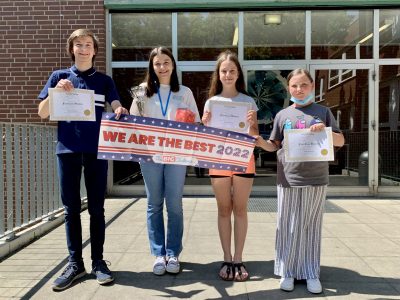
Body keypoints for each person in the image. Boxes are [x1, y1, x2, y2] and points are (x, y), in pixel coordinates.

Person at [38, 29, 129, 291]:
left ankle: (98, 262)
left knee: (97, 208)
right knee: (71, 209)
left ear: (95, 50)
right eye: (78, 44)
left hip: (97, 151)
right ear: (72, 49)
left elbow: (116, 105)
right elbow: (43, 113)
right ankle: (75, 263)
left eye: (88, 44)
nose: (83, 48)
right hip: (67, 150)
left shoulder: (104, 80)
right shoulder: (59, 76)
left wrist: (120, 109)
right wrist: (56, 91)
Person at [255, 68, 345, 294]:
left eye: (304, 85)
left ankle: (311, 272)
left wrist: (324, 131)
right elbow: (274, 145)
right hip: (288, 178)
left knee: (310, 226)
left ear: (312, 86)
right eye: (294, 85)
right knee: (287, 225)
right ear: (289, 88)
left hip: (316, 178)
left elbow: (340, 141)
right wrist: (259, 142)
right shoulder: (282, 115)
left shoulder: (323, 111)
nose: (299, 89)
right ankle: (288, 270)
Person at [129, 47, 200, 276]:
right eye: (157, 63)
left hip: (176, 155)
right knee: (154, 203)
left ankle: (173, 252)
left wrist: (190, 123)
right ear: (152, 66)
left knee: (175, 205)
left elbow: (196, 123)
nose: (162, 67)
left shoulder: (185, 92)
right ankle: (159, 253)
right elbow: (132, 122)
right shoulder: (141, 92)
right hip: (150, 154)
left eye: (166, 62)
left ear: (173, 65)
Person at [201, 50, 258, 282]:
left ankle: (239, 258)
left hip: (244, 158)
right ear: (218, 74)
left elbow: (254, 136)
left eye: (232, 71)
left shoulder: (248, 100)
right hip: (219, 159)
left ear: (238, 73)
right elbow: (205, 139)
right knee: (224, 210)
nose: (227, 74)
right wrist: (204, 126)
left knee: (241, 210)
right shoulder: (211, 102)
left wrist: (253, 125)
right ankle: (226, 257)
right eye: (223, 71)